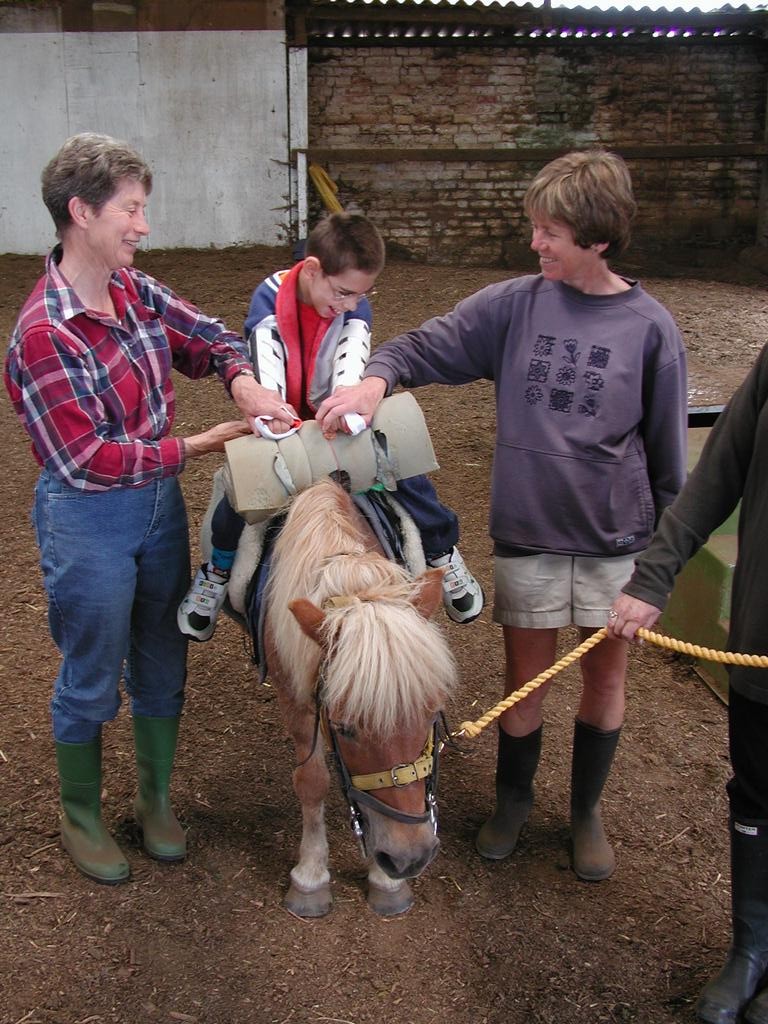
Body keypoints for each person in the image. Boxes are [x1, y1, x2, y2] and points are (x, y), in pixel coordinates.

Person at [315, 149, 688, 881]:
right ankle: (513, 802)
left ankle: (584, 813)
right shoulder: (516, 304)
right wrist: (374, 381)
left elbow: (671, 463)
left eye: (549, 231)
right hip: (530, 535)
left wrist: (658, 570)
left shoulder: (650, 329)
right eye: (536, 227)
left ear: (597, 239)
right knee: (527, 682)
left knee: (604, 683)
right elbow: (426, 343)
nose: (536, 242)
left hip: (617, 544)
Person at [4, 132, 271, 885]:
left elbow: (207, 336)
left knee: (162, 651)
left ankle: (154, 799)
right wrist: (199, 444)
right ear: (82, 212)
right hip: (88, 514)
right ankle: (80, 815)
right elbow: (85, 457)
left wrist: (242, 380)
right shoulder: (43, 335)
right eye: (131, 209)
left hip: (154, 506)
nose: (142, 225)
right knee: (91, 668)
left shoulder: (131, 289)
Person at [176, 210, 483, 642]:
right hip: (281, 416)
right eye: (342, 293)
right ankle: (217, 569)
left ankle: (441, 551)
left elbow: (352, 364)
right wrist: (280, 420)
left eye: (360, 295)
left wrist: (344, 414)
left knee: (406, 473)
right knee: (238, 487)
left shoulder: (355, 304)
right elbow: (267, 366)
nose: (350, 304)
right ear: (313, 269)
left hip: (337, 414)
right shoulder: (270, 296)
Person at [607, 346, 768, 1023]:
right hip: (761, 637)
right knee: (757, 790)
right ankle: (752, 950)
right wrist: (653, 577)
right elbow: (718, 472)